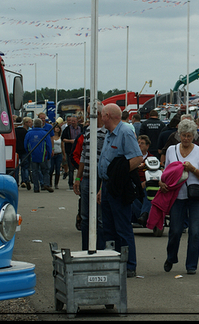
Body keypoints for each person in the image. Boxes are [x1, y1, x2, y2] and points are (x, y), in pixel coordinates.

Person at [97, 103, 143, 278]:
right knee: (108, 228)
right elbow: (106, 163)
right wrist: (102, 187)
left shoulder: (124, 132)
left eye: (102, 115)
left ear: (108, 115)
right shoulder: (109, 134)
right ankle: (113, 261)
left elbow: (137, 158)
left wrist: (119, 176)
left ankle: (129, 264)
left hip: (118, 188)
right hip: (107, 186)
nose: (101, 118)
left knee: (122, 227)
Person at [161, 119, 199, 275]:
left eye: (189, 136)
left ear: (193, 136)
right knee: (175, 230)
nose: (186, 139)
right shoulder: (171, 150)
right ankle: (171, 257)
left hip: (196, 196)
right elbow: (166, 172)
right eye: (183, 135)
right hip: (177, 195)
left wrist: (192, 169)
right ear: (178, 135)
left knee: (195, 232)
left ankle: (191, 265)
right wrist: (162, 181)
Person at [73, 101, 107, 251]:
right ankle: (85, 249)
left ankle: (99, 249)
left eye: (89, 112)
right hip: (86, 178)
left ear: (98, 114)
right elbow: (83, 156)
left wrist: (102, 184)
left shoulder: (107, 132)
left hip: (99, 178)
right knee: (85, 217)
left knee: (99, 218)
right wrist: (78, 178)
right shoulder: (87, 130)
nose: (87, 115)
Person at [24, 118, 54, 193]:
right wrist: (49, 155)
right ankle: (46, 184)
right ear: (41, 125)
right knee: (45, 171)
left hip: (33, 155)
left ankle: (36, 188)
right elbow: (48, 145)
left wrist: (28, 153)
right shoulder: (45, 133)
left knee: (34, 172)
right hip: (43, 156)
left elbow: (25, 145)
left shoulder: (29, 133)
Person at [61, 115, 82, 190]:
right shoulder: (67, 129)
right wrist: (70, 141)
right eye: (71, 121)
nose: (72, 122)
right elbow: (63, 139)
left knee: (81, 167)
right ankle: (70, 183)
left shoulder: (81, 128)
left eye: (74, 121)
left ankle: (80, 182)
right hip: (70, 151)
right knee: (71, 169)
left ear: (77, 121)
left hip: (80, 151)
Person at [15, 116, 32, 190]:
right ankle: (25, 180)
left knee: (16, 167)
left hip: (16, 150)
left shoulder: (14, 131)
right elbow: (27, 142)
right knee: (25, 167)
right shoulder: (25, 132)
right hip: (24, 150)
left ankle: (16, 182)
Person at [50, 124, 65, 189]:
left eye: (58, 128)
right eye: (56, 127)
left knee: (58, 169)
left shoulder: (60, 137)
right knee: (51, 169)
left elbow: (62, 146)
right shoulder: (51, 137)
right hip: (52, 155)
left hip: (59, 154)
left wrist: (64, 155)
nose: (57, 129)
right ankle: (50, 182)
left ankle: (56, 183)